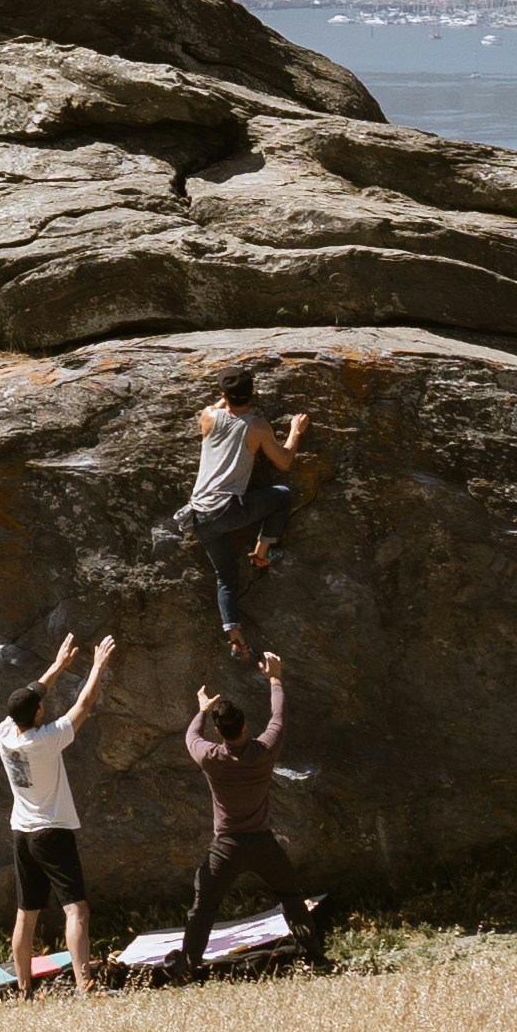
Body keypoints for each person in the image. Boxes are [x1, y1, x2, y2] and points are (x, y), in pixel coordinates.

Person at [178, 648, 331, 979]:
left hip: (225, 848)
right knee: (291, 898)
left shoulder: (210, 757)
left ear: (219, 731)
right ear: (245, 725)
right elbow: (279, 717)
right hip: (263, 845)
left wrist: (201, 710)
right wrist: (275, 679)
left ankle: (187, 967)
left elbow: (191, 736)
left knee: (203, 909)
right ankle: (316, 958)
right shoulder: (264, 752)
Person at [0, 628, 118, 996]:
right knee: (76, 910)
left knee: (26, 914)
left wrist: (58, 665)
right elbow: (84, 705)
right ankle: (85, 985)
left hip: (22, 833)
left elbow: (31, 695)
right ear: (37, 713)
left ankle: (24, 990)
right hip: (52, 832)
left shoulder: (4, 732)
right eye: (40, 705)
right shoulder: (45, 741)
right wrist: (97, 666)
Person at [180, 367, 311, 628]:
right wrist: (295, 431)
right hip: (227, 510)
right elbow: (284, 462)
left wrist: (225, 399)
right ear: (251, 394)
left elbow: (216, 407)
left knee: (226, 577)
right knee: (282, 496)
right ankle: (261, 553)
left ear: (223, 395)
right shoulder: (257, 426)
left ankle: (234, 635)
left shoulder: (208, 416)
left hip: (198, 516)